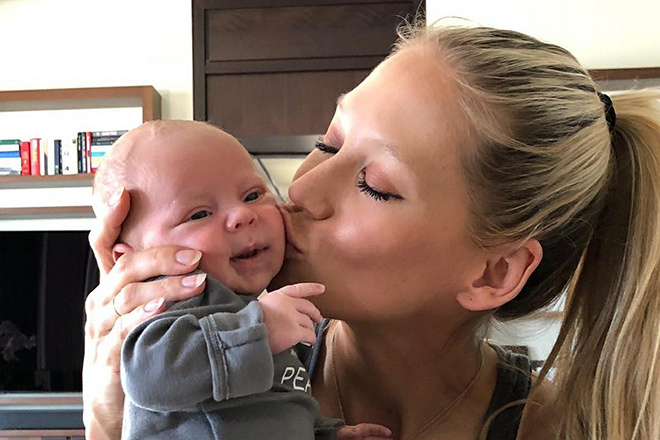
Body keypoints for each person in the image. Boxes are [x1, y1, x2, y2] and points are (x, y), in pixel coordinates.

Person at [83, 21, 660, 440]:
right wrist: (112, 418)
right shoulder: (216, 355)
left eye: (376, 185)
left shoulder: (551, 428)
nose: (302, 189)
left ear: (493, 272)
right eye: (329, 141)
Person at [91, 120, 393, 440]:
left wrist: (326, 433)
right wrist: (259, 328)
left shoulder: (254, 315)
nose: (242, 215)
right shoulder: (177, 305)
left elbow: (269, 410)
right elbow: (149, 377)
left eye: (252, 195)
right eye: (199, 214)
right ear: (137, 261)